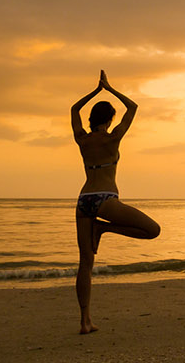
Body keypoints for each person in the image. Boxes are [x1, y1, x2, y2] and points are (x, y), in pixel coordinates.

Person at [71, 70, 161, 335]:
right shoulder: (113, 138)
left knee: (85, 263)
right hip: (106, 199)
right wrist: (108, 88)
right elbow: (132, 107)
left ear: (91, 119)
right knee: (152, 230)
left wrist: (94, 92)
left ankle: (85, 322)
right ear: (110, 119)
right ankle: (105, 228)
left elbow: (74, 108)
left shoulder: (82, 139)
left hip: (84, 199)